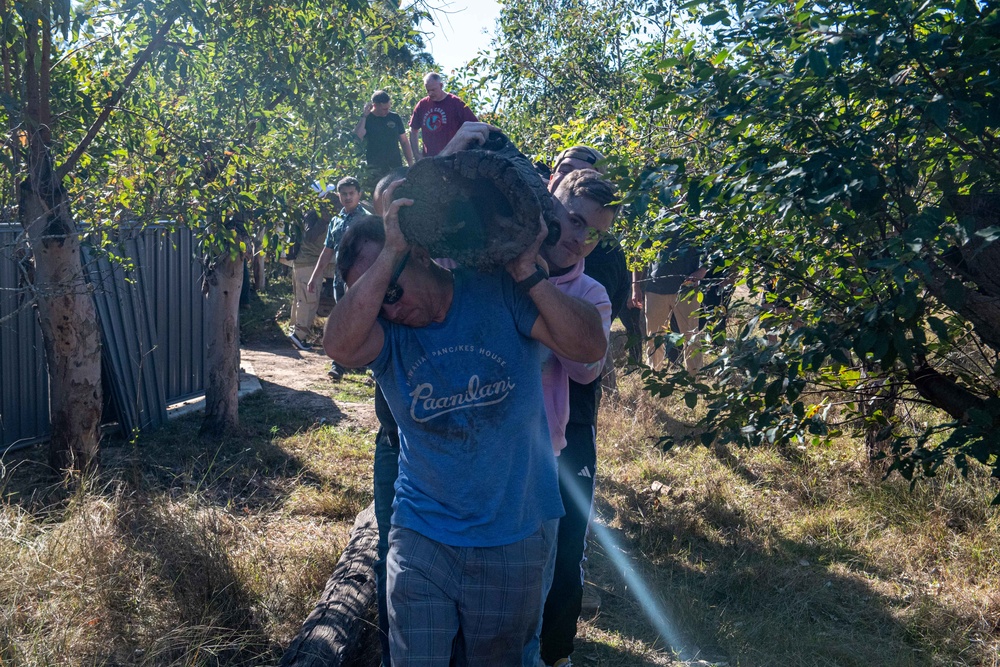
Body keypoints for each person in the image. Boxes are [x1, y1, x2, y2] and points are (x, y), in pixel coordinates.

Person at [325, 181, 606, 666]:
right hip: (423, 535)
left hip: (514, 531)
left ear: (423, 256)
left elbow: (589, 347)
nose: (389, 308)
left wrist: (526, 271)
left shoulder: (496, 291)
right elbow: (339, 346)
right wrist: (388, 256)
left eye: (391, 288)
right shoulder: (386, 335)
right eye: (374, 298)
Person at [538, 161, 623, 667]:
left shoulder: (592, 292)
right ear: (551, 203)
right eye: (573, 220)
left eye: (593, 233)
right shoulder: (496, 263)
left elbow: (586, 366)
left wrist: (531, 296)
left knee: (567, 547)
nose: (579, 238)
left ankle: (556, 652)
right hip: (504, 432)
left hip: (572, 428)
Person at [307, 176, 372, 379]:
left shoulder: (367, 219)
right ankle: (340, 364)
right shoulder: (336, 220)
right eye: (344, 193)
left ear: (359, 194)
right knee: (342, 319)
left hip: (362, 279)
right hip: (340, 279)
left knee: (366, 319)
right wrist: (314, 277)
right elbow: (327, 251)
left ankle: (371, 364)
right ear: (338, 195)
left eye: (351, 193)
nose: (348, 197)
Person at [632, 237, 706, 373]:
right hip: (655, 289)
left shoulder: (695, 218)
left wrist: (701, 271)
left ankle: (695, 381)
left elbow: (713, 248)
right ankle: (653, 378)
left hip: (686, 290)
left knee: (692, 338)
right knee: (654, 338)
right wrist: (636, 287)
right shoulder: (653, 219)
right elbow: (640, 254)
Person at [287, 182, 336, 350]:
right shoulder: (320, 217)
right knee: (308, 300)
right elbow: (314, 239)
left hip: (302, 263)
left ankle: (295, 331)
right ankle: (299, 335)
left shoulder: (309, 212)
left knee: (300, 299)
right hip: (309, 264)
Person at [354, 90, 414, 193]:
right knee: (379, 195)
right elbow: (358, 136)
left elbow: (404, 142)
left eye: (388, 108)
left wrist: (410, 163)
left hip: (395, 165)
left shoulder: (394, 117)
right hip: (375, 168)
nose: (386, 111)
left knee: (397, 193)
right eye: (384, 109)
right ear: (375, 105)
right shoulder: (368, 118)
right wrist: (364, 115)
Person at [408, 72, 478, 158]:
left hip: (452, 160)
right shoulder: (422, 105)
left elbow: (474, 126)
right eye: (428, 90)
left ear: (441, 85)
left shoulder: (455, 103)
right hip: (429, 161)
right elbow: (413, 130)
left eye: (433, 90)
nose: (430, 93)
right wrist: (417, 155)